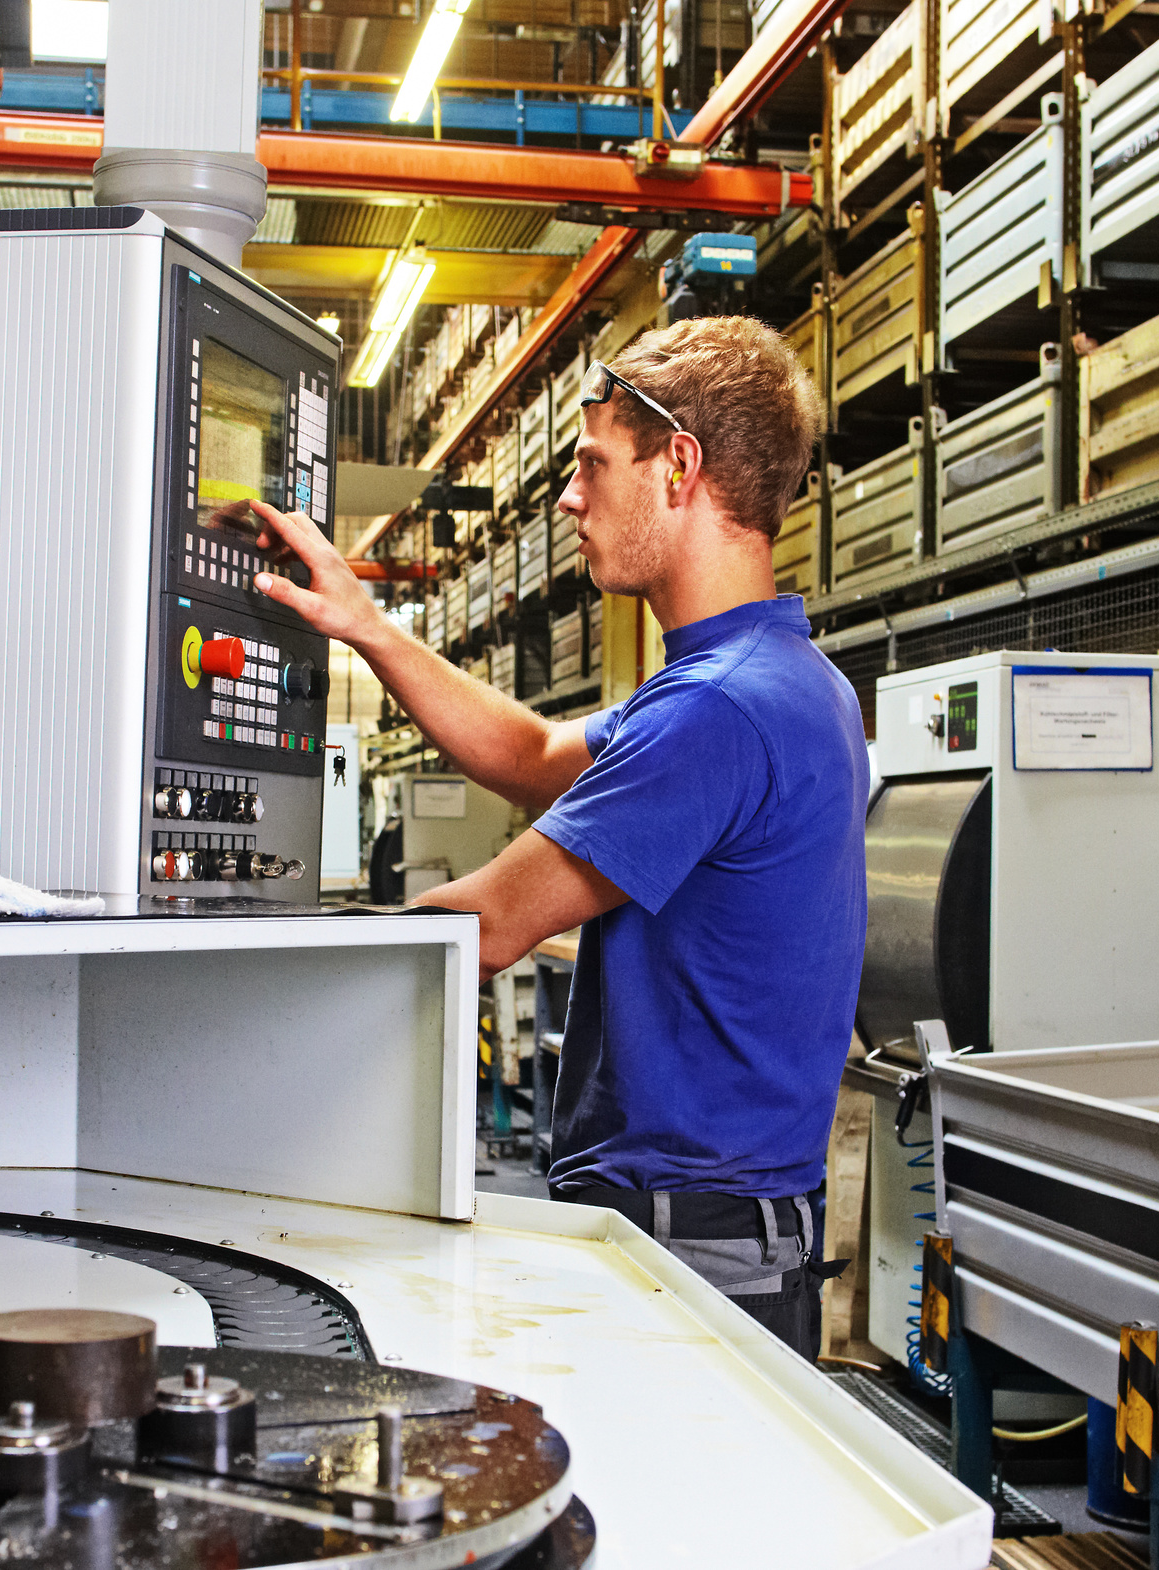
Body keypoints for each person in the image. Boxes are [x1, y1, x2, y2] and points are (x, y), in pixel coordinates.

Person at [249, 314, 868, 1360]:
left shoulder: (714, 711)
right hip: (736, 1238)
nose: (570, 498)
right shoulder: (780, 677)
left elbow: (482, 927)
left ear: (679, 466)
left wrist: (202, 956)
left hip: (693, 1256)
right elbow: (534, 752)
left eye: (591, 465)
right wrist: (366, 625)